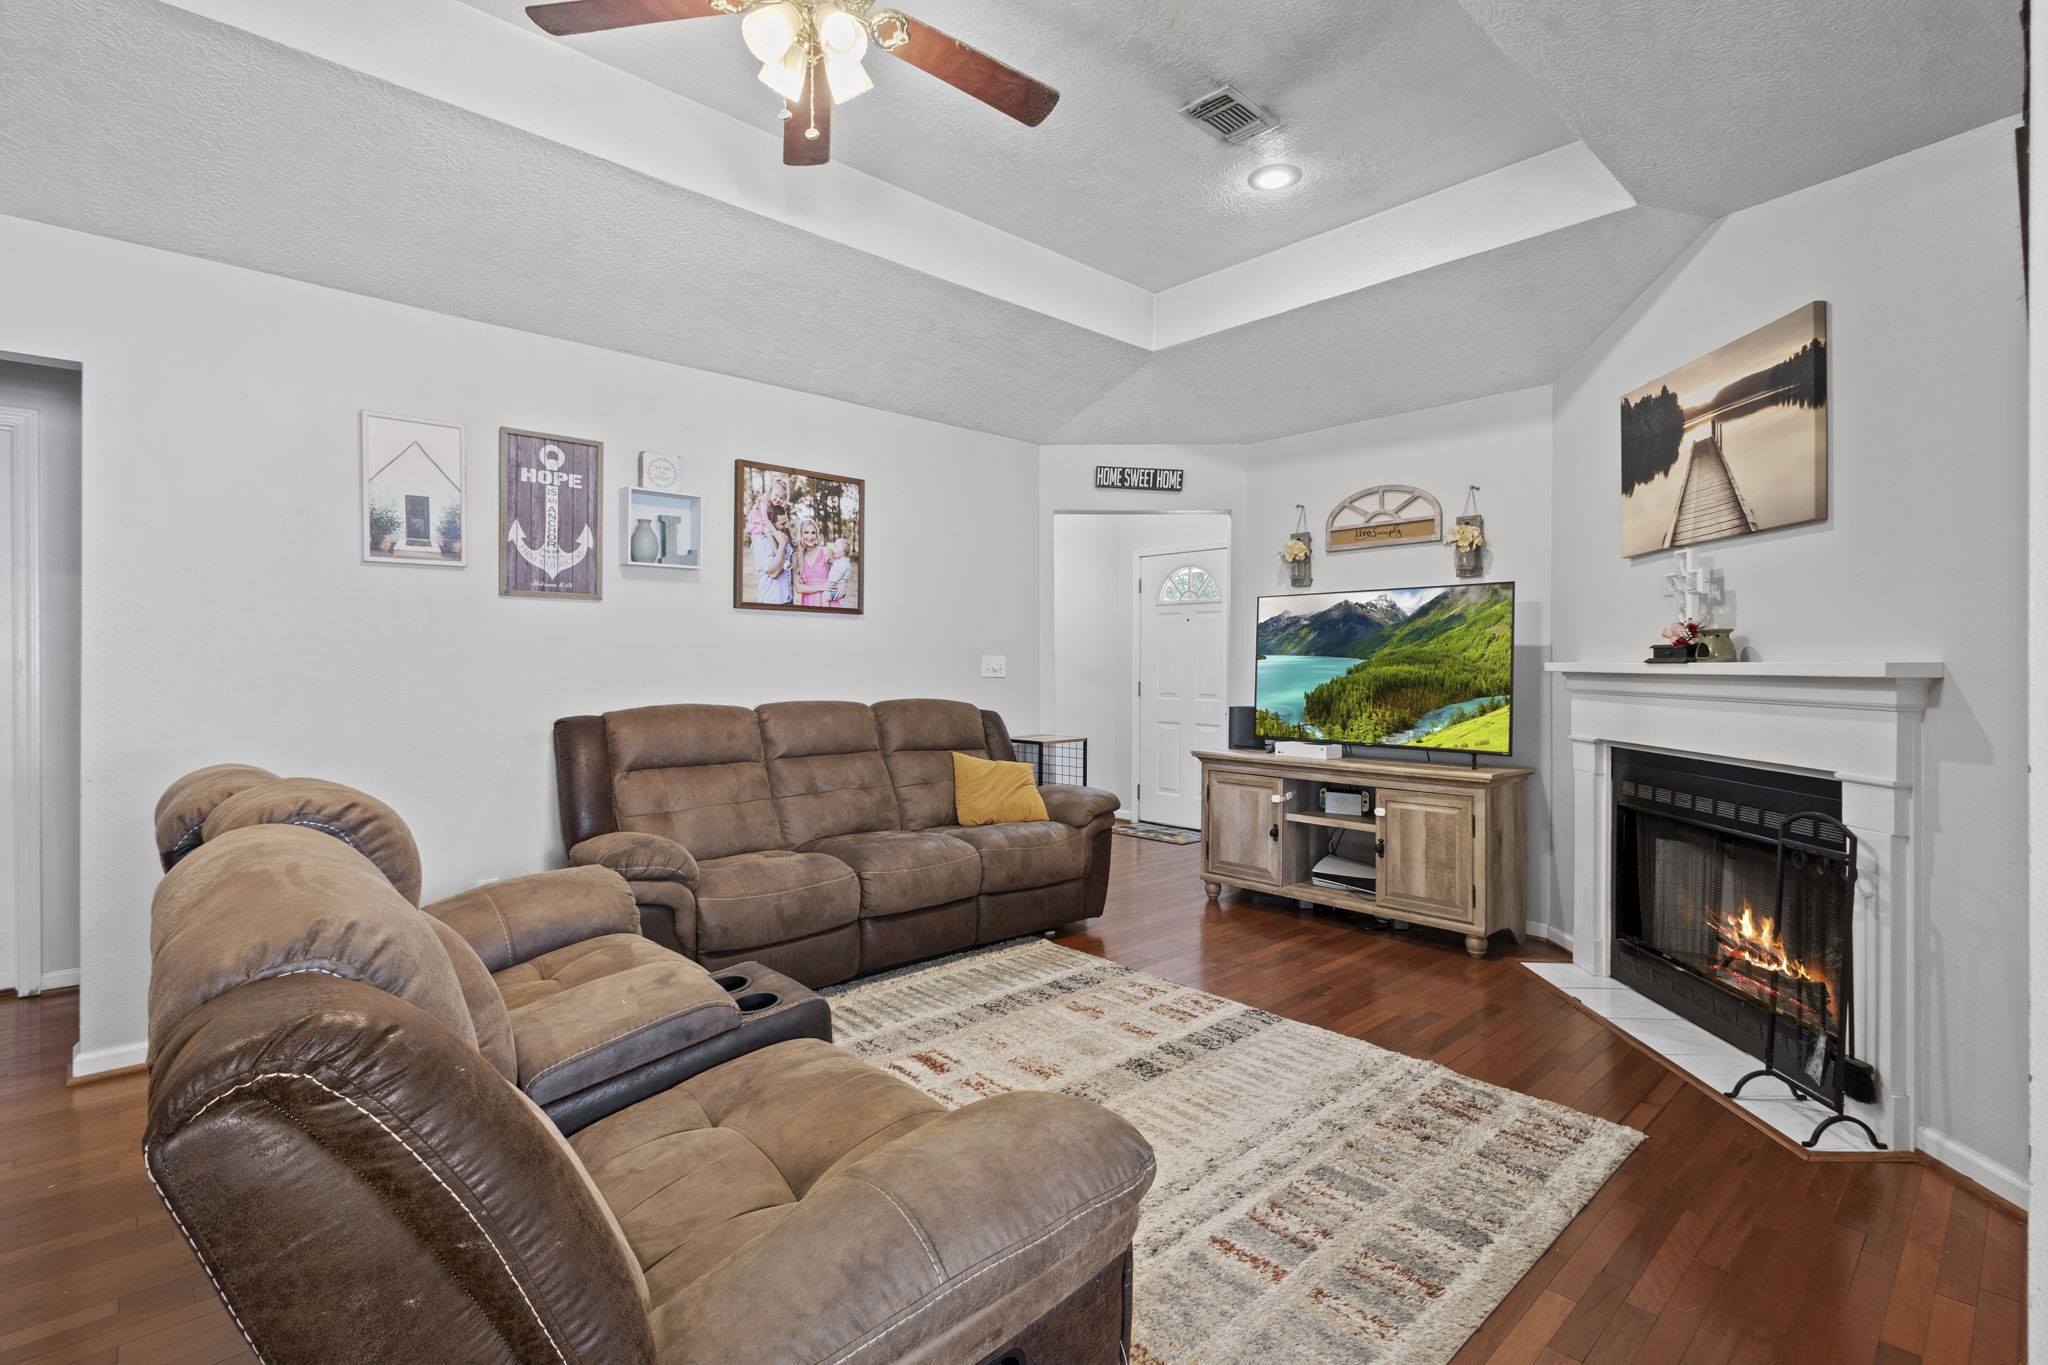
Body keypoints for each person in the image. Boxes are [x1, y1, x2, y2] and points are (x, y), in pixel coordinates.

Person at [753, 502, 793, 604]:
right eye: (782, 524)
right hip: (772, 601)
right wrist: (782, 545)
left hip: (788, 599)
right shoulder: (764, 542)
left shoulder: (784, 537)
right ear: (772, 523)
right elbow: (774, 573)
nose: (786, 526)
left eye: (786, 522)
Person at [794, 519, 833, 608]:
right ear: (801, 534)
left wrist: (842, 586)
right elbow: (798, 588)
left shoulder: (826, 551)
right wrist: (821, 587)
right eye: (806, 532)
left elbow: (839, 572)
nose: (810, 536)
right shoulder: (796, 557)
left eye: (813, 533)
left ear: (817, 534)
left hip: (826, 601)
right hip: (808, 602)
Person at [825, 538, 854, 608]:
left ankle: (824, 611)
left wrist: (830, 583)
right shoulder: (839, 561)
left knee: (824, 596)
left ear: (842, 552)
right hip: (835, 588)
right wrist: (830, 562)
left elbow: (839, 574)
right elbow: (836, 568)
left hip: (837, 589)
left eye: (836, 547)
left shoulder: (844, 562)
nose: (833, 549)